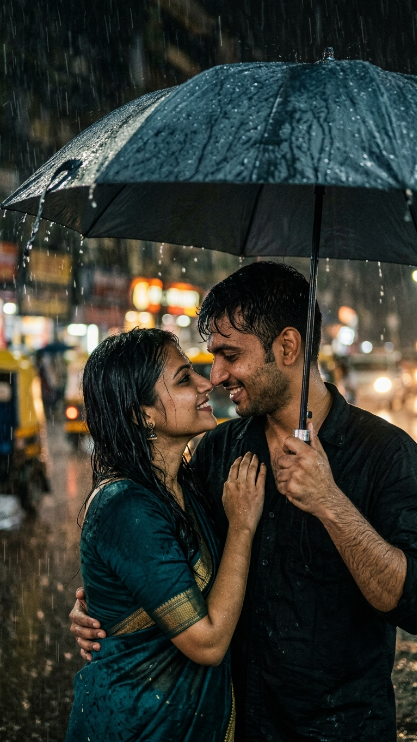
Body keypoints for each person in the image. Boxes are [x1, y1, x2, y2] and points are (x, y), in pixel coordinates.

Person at [71, 262, 417, 742]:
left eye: (230, 355)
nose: (216, 375)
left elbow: (411, 603)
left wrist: (330, 502)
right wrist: (110, 607)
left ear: (288, 347)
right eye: (211, 357)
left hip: (340, 727)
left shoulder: (385, 454)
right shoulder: (218, 449)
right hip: (238, 723)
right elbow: (167, 548)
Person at [66, 327, 266, 742]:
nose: (205, 382)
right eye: (183, 379)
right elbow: (207, 645)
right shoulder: (126, 505)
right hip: (136, 724)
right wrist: (243, 527)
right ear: (143, 414)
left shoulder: (186, 485)